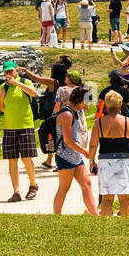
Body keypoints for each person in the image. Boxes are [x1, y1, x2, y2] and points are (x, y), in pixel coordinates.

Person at [90, 90, 129, 218]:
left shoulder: (99, 122)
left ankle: (107, 224)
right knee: (125, 198)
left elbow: (93, 145)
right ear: (120, 106)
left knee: (107, 198)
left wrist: (91, 161)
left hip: (105, 161)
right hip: (123, 161)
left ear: (106, 105)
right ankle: (126, 224)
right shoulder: (127, 122)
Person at [51, 87, 98, 216]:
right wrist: (84, 151)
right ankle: (56, 216)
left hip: (75, 156)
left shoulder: (74, 112)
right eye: (86, 102)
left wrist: (80, 152)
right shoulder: (66, 114)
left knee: (87, 184)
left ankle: (96, 216)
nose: (87, 105)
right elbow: (68, 140)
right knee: (64, 189)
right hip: (65, 156)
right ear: (80, 100)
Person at [0, 61, 41, 202]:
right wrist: (1, 97)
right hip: (9, 127)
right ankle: (16, 191)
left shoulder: (25, 82)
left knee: (26, 158)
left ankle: (33, 185)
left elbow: (34, 93)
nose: (8, 74)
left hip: (25, 125)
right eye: (6, 72)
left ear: (16, 70)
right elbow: (2, 108)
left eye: (10, 71)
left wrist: (17, 84)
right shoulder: (3, 87)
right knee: (12, 160)